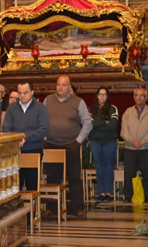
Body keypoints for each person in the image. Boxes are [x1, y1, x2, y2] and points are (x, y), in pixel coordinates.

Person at [43, 76, 91, 219]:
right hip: (51, 143)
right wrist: (44, 137)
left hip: (71, 144)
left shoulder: (79, 102)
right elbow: (42, 120)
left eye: (64, 85)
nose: (60, 88)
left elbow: (87, 123)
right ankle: (51, 207)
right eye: (58, 84)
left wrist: (78, 140)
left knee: (74, 177)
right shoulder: (48, 100)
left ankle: (77, 208)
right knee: (52, 178)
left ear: (70, 87)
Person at [3, 81, 49, 191]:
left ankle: (32, 207)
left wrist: (25, 137)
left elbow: (44, 129)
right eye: (20, 93)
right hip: (15, 151)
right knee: (14, 185)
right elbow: (6, 128)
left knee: (32, 185)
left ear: (32, 92)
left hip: (33, 149)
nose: (22, 96)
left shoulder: (40, 108)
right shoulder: (11, 108)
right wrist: (16, 140)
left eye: (25, 93)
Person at [121, 87, 148, 203]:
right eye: (137, 95)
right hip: (130, 148)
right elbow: (124, 131)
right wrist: (132, 141)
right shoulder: (127, 112)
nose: (139, 98)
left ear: (146, 98)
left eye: (142, 96)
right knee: (129, 173)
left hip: (146, 148)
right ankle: (128, 196)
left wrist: (142, 142)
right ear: (133, 97)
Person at [88, 87, 119, 203]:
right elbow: (90, 126)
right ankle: (101, 192)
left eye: (104, 94)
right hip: (95, 141)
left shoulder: (113, 109)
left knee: (108, 167)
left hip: (109, 142)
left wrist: (96, 122)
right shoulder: (90, 109)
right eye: (100, 94)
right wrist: (104, 121)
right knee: (99, 167)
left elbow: (112, 126)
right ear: (97, 96)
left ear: (107, 96)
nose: (102, 96)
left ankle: (109, 193)